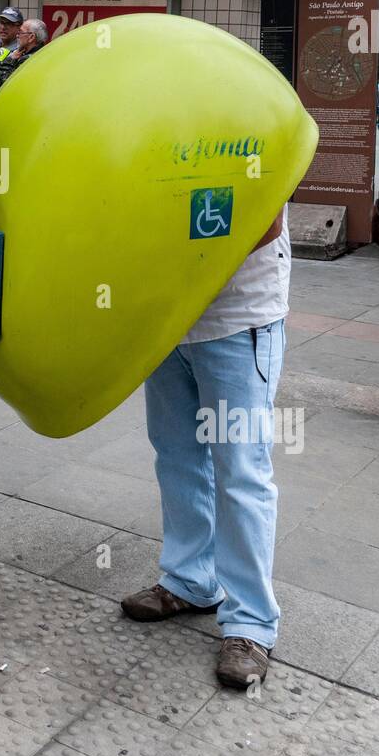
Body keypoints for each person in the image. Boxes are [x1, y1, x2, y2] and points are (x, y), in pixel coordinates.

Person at [120, 207, 289, 691]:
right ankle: (190, 581)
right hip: (169, 317)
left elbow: (265, 221)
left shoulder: (259, 127)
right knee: (176, 455)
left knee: (240, 470)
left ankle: (251, 623)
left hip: (238, 318)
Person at [0, 19, 48, 92]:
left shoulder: (27, 61)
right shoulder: (44, 54)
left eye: (20, 32)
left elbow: (1, 86)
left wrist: (10, 59)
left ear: (31, 37)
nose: (17, 36)